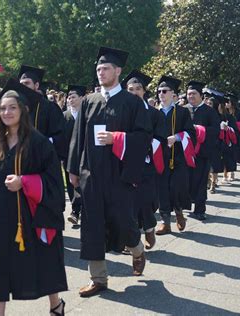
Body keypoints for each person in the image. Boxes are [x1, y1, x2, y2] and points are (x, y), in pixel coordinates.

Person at [67, 47, 151, 297]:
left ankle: (137, 249)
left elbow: (144, 138)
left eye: (105, 69)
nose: (101, 72)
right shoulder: (89, 102)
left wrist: (117, 138)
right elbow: (78, 137)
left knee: (124, 222)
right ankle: (99, 279)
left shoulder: (132, 103)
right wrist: (73, 169)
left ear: (118, 71)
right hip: (91, 174)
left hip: (119, 175)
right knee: (91, 226)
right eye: (98, 69)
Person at [0, 83, 67, 316]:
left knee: (43, 260)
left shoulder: (39, 142)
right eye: (2, 108)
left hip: (30, 215)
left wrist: (25, 182)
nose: (7, 112)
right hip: (1, 214)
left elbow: (54, 181)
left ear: (23, 111)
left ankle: (56, 304)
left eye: (12, 107)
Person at [123, 70, 168, 248]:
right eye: (131, 89)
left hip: (146, 164)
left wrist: (145, 145)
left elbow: (161, 138)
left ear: (144, 91)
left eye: (138, 89)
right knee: (127, 203)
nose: (134, 92)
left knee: (145, 201)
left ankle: (149, 228)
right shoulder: (121, 111)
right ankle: (132, 241)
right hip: (125, 164)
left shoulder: (154, 114)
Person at [154, 75, 195, 235]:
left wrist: (177, 137)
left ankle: (178, 212)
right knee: (162, 189)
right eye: (159, 91)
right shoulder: (154, 113)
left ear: (173, 94)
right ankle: (165, 222)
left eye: (164, 91)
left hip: (177, 158)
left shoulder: (182, 112)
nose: (161, 94)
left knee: (176, 187)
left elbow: (191, 132)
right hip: (159, 158)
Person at [187, 81, 220, 221]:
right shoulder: (183, 110)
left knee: (201, 182)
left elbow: (216, 131)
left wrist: (200, 129)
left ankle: (200, 210)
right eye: (189, 94)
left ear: (201, 95)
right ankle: (184, 206)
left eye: (194, 94)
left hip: (202, 153)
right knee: (186, 181)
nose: (191, 96)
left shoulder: (209, 111)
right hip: (185, 153)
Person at [18, 65, 66, 159]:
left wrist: (42, 143)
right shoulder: (17, 107)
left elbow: (61, 136)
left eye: (27, 83)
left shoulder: (50, 107)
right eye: (21, 84)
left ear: (36, 85)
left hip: (44, 157)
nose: (23, 87)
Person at [63, 85, 86, 226]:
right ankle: (75, 209)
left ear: (82, 98)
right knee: (72, 183)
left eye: (73, 97)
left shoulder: (87, 114)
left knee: (84, 183)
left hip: (85, 155)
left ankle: (80, 210)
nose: (70, 100)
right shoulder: (64, 116)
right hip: (68, 156)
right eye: (69, 97)